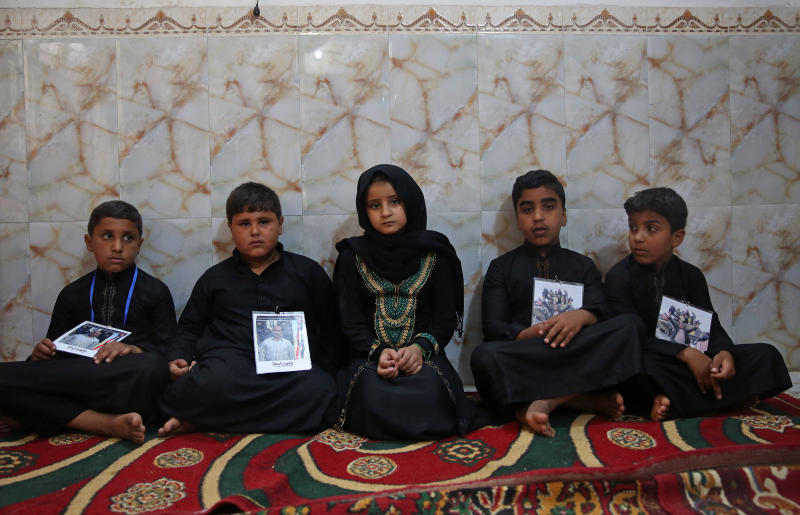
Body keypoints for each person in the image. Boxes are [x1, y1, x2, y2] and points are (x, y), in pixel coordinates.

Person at [158, 182, 341, 436]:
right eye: (244, 224)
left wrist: (324, 369)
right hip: (230, 368)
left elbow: (330, 328)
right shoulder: (214, 279)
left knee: (323, 391)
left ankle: (205, 420)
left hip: (288, 372)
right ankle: (259, 419)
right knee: (199, 385)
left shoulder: (307, 273)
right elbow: (189, 328)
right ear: (231, 229)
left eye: (264, 222)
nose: (255, 231)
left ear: (280, 224)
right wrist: (178, 356)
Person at [471, 170, 643, 437]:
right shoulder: (501, 268)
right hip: (529, 354)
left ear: (563, 216)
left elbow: (603, 311)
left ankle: (544, 402)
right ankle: (578, 398)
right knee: (484, 357)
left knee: (630, 325)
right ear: (517, 219)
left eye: (548, 207)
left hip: (573, 350)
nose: (538, 217)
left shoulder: (583, 266)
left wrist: (580, 317)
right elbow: (494, 329)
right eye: (528, 209)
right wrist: (532, 333)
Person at [605, 187, 791, 420]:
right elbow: (629, 338)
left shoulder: (691, 276)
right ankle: (722, 398)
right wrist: (684, 354)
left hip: (695, 360)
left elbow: (711, 326)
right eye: (633, 227)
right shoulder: (619, 277)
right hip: (655, 360)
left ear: (677, 237)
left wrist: (725, 353)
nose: (638, 237)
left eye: (650, 229)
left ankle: (674, 401)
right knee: (635, 370)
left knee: (766, 355)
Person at [0, 201, 176, 444]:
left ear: (139, 244)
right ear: (89, 242)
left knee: (152, 366)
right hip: (79, 381)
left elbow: (170, 351)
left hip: (126, 381)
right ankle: (104, 423)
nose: (117, 247)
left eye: (128, 238)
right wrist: (41, 355)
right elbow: (53, 358)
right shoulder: (72, 294)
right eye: (107, 236)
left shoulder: (155, 292)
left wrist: (133, 349)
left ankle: (47, 414)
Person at [334, 164, 484, 440]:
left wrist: (418, 349)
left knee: (430, 389)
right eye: (374, 205)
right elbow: (349, 321)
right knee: (370, 389)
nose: (385, 212)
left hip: (424, 359)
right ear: (364, 211)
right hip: (370, 360)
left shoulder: (436, 254)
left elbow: (443, 320)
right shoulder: (351, 257)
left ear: (411, 202)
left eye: (395, 201)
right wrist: (378, 353)